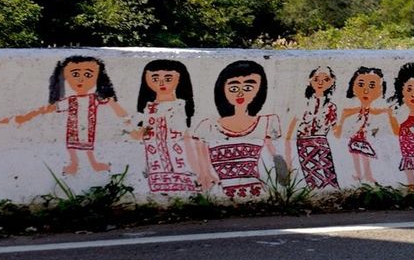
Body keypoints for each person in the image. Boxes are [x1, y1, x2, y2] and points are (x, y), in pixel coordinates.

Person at [0, 55, 128, 175]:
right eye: (75, 74)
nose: (81, 79)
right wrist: (26, 117)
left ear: (98, 77)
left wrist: (126, 118)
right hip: (73, 128)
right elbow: (48, 109)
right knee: (72, 147)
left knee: (88, 146)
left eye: (88, 74)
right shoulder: (70, 101)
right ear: (65, 76)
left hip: (88, 128)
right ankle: (74, 164)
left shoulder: (94, 99)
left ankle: (93, 164)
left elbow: (114, 107)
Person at [193, 60, 281, 198]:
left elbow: (275, 156)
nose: (240, 93)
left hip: (256, 191)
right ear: (222, 89)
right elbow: (202, 165)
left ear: (259, 90)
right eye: (234, 88)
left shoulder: (267, 123)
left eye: (248, 88)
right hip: (219, 191)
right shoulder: (206, 126)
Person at [131, 59, 198, 193]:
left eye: (168, 78)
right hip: (155, 162)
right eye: (155, 78)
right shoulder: (148, 108)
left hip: (180, 159)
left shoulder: (181, 106)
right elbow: (140, 134)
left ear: (180, 79)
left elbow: (186, 135)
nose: (161, 83)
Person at [285, 66, 339, 189]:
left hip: (322, 143)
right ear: (310, 80)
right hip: (304, 143)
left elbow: (335, 130)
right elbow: (293, 125)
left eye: (326, 79)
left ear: (332, 82)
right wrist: (287, 144)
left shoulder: (331, 106)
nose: (320, 83)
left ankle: (329, 193)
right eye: (316, 79)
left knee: (328, 173)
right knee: (311, 173)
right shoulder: (304, 103)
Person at [335, 67, 389, 183]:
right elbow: (346, 113)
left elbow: (375, 112)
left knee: (365, 156)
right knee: (356, 155)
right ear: (353, 87)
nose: (366, 91)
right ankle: (359, 174)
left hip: (364, 137)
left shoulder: (369, 109)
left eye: (372, 86)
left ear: (380, 89)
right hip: (355, 136)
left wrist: (385, 112)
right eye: (361, 85)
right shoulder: (355, 110)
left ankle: (367, 175)